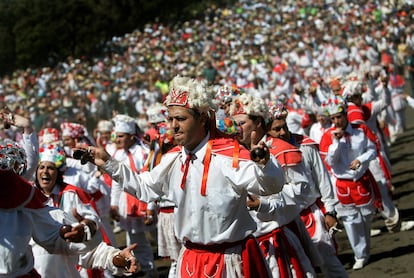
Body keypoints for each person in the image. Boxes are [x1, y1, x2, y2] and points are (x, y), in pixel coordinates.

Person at [85, 76, 285, 277]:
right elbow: (144, 188)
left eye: (180, 119)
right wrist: (108, 163)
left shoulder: (229, 155)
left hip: (230, 261)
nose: (173, 126)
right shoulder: (173, 158)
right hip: (190, 259)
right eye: (170, 119)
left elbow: (270, 187)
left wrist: (264, 164)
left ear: (202, 118)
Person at [0, 139, 138, 277]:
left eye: (50, 168)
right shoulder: (32, 202)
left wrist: (111, 256)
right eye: (41, 167)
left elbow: (72, 243)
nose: (45, 172)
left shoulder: (31, 208)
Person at [229, 94, 318, 277]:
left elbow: (302, 191)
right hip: (252, 243)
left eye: (242, 123)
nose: (237, 129)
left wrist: (265, 204)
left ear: (258, 123)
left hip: (282, 234)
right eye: (235, 123)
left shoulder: (282, 149)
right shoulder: (233, 154)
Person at [266, 103, 348, 277]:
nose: (282, 133)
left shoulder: (306, 145)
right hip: (286, 220)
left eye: (284, 127)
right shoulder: (266, 154)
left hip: (311, 215)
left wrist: (331, 211)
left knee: (330, 263)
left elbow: (322, 178)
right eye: (276, 129)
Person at [319, 95, 381, 270]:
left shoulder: (360, 130)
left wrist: (361, 159)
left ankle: (365, 249)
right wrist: (336, 142)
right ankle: (360, 255)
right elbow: (330, 162)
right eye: (333, 118)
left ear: (346, 114)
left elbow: (373, 149)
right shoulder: (327, 137)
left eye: (339, 117)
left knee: (367, 218)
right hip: (342, 184)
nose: (337, 121)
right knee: (351, 221)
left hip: (361, 181)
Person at [104, 114, 158, 277]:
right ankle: (149, 269)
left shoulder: (143, 153)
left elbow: (152, 180)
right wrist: (114, 204)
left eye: (121, 136)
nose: (117, 140)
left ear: (131, 136)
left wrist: (151, 206)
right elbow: (117, 182)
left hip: (146, 200)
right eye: (116, 136)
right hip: (128, 203)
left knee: (158, 235)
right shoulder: (118, 155)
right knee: (136, 238)